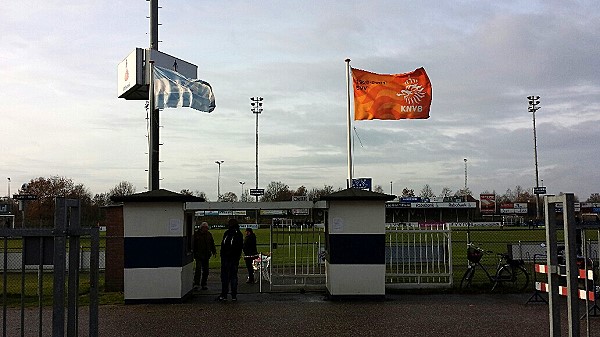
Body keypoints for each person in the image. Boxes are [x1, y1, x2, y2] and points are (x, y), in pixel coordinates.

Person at [218, 218, 243, 301]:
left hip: (229, 259)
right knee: (232, 277)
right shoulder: (237, 234)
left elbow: (224, 245)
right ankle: (232, 295)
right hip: (231, 259)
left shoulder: (229, 233)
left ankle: (226, 294)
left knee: (227, 277)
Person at [193, 222, 217, 290]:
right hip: (199, 255)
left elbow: (212, 243)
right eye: (205, 227)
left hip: (206, 255)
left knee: (206, 271)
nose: (206, 229)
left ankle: (204, 283)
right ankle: (196, 283)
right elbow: (193, 244)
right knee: (198, 269)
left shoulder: (209, 234)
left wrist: (214, 251)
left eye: (207, 228)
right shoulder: (196, 234)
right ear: (202, 228)